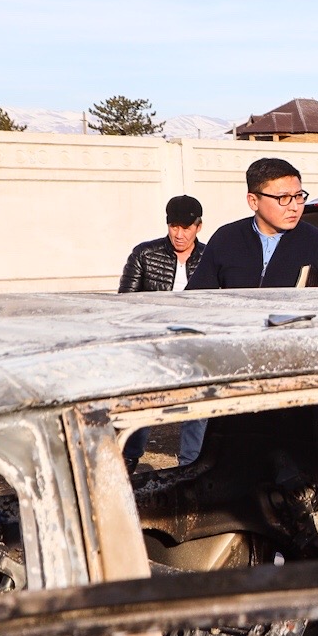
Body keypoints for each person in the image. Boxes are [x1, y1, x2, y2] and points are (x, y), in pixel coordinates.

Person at [117, 195, 209, 467]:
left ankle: (190, 466)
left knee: (197, 404)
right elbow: (125, 304)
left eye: (186, 228)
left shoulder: (210, 257)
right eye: (174, 227)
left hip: (195, 342)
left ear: (198, 227)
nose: (179, 234)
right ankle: (128, 460)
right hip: (153, 342)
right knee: (144, 403)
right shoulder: (144, 254)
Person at [187, 157, 318, 289]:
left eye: (298, 196)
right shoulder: (226, 239)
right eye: (283, 198)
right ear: (253, 201)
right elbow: (195, 300)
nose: (294, 207)